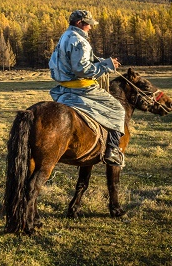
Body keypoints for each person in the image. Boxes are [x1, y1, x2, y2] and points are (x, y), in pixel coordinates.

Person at [48, 10, 126, 166]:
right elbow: (82, 69)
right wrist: (106, 67)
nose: (90, 27)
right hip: (82, 88)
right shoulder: (79, 40)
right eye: (88, 24)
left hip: (64, 89)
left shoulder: (64, 37)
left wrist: (103, 62)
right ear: (79, 23)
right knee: (118, 110)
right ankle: (112, 150)